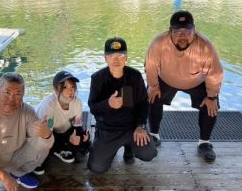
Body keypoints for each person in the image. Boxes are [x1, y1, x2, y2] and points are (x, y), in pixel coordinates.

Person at [145, 10, 224, 162]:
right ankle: (154, 135)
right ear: (170, 32)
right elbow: (150, 66)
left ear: (194, 31)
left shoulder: (206, 46)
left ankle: (204, 143)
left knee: (211, 106)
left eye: (188, 31)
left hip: (197, 81)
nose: (183, 36)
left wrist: (212, 96)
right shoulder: (158, 43)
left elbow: (215, 72)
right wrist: (153, 86)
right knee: (152, 97)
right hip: (166, 78)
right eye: (178, 31)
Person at [87, 37, 157, 174]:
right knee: (96, 168)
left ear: (126, 57)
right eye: (111, 55)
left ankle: (129, 147)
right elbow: (93, 108)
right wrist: (108, 104)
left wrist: (140, 126)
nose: (116, 59)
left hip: (131, 128)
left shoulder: (135, 76)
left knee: (149, 153)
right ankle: (108, 149)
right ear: (105, 58)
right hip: (108, 129)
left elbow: (143, 104)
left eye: (120, 55)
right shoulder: (97, 79)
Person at [35, 71, 90, 174]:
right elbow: (45, 134)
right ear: (56, 89)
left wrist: (79, 137)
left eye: (73, 87)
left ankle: (60, 146)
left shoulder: (77, 103)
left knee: (83, 142)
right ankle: (53, 150)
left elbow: (77, 126)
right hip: (42, 133)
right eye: (65, 87)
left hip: (62, 131)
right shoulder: (48, 106)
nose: (71, 91)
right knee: (44, 143)